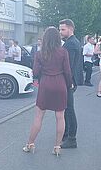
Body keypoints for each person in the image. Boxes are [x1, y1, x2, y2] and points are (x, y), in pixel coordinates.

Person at [22, 26, 72, 156]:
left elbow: (36, 72)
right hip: (60, 84)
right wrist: (69, 85)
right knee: (60, 117)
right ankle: (57, 146)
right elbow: (67, 71)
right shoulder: (63, 52)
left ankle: (30, 144)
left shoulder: (39, 54)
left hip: (45, 85)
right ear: (57, 38)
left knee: (39, 116)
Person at [59, 19, 83, 149]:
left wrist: (69, 83)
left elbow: (68, 67)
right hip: (70, 80)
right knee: (67, 109)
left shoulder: (70, 44)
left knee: (69, 110)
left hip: (68, 81)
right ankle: (67, 133)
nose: (60, 32)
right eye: (60, 29)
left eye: (63, 29)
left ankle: (72, 138)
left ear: (70, 29)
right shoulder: (73, 42)